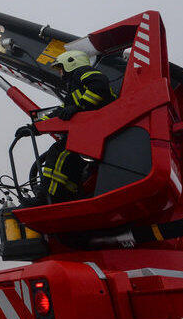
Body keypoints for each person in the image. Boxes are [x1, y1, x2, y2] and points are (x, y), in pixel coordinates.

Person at [15, 50, 116, 205]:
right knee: (70, 161)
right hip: (95, 134)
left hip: (100, 130)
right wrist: (33, 128)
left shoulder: (82, 72)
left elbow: (99, 84)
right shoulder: (73, 91)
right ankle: (68, 193)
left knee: (60, 153)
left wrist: (79, 107)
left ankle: (48, 196)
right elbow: (60, 112)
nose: (60, 72)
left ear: (71, 62)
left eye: (60, 67)